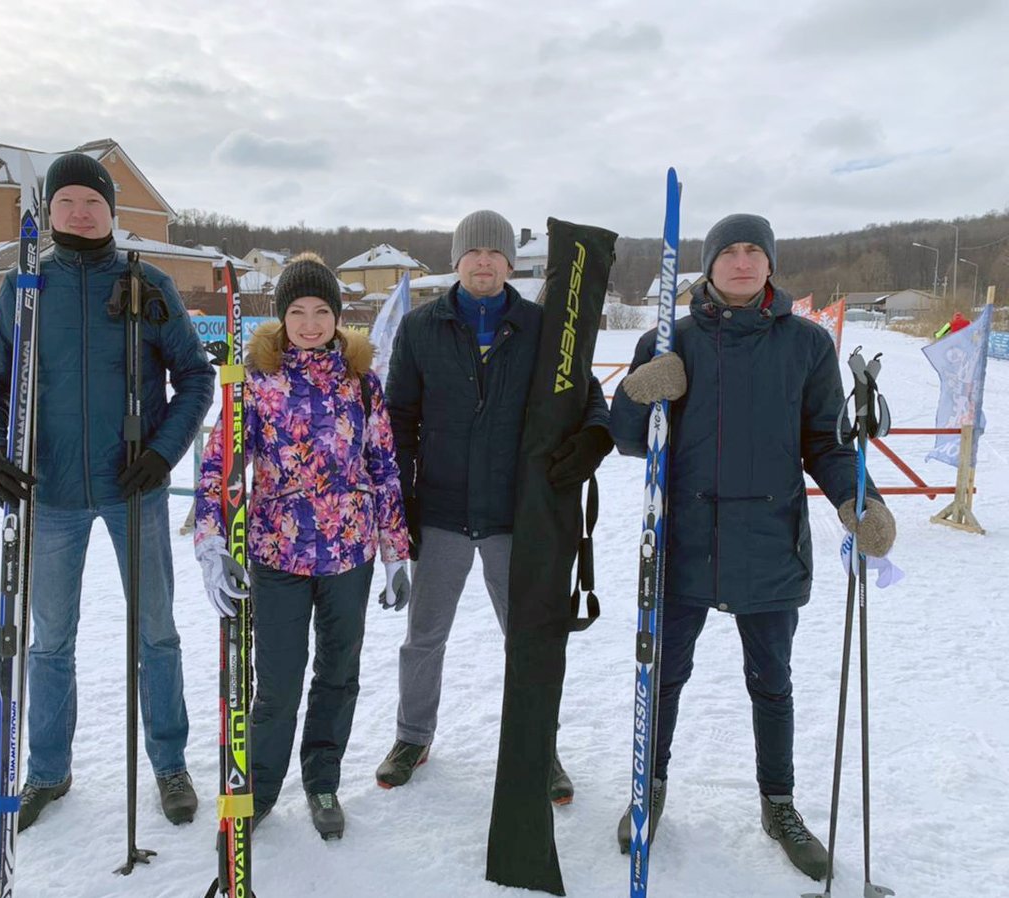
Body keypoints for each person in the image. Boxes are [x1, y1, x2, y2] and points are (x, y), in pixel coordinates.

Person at [608, 213, 898, 880]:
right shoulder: (667, 338)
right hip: (682, 540)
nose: (742, 262)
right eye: (728, 252)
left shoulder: (805, 345)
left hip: (770, 540)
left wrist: (861, 499)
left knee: (772, 683)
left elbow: (825, 442)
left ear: (770, 264)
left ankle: (779, 804)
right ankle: (647, 788)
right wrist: (639, 391)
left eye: (754, 252)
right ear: (708, 266)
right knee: (664, 678)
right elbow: (626, 436)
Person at [0, 152, 214, 831]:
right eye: (67, 201)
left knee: (156, 633)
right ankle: (48, 769)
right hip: (48, 492)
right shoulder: (24, 290)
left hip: (132, 486)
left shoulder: (148, 283)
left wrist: (164, 452)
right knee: (49, 641)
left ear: (112, 211)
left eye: (93, 202)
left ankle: (169, 762)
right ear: (49, 210)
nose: (80, 212)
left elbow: (195, 376)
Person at [376, 210, 613, 802]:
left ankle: (540, 745)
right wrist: (401, 495)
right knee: (424, 637)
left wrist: (596, 436)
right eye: (472, 252)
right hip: (441, 511)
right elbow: (399, 418)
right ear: (456, 260)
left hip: (518, 514)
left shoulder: (540, 325)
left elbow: (587, 392)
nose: (484, 261)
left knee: (529, 639)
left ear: (510, 263)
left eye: (495, 253)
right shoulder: (422, 328)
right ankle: (412, 736)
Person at [194, 252, 411, 841]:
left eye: (322, 311)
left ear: (339, 317)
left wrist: (395, 551)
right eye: (298, 311)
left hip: (349, 555)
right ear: (281, 317)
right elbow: (219, 466)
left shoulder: (362, 382)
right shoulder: (256, 382)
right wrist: (212, 542)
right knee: (280, 683)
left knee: (338, 675)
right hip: (279, 555)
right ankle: (258, 792)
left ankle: (322, 780)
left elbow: (384, 466)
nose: (311, 323)